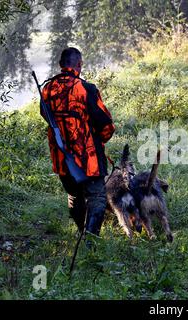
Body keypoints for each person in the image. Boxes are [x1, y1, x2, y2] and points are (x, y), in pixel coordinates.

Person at [41, 47, 115, 239]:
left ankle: (82, 232)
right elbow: (106, 124)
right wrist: (99, 143)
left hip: (61, 158)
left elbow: (46, 116)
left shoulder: (47, 89)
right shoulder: (86, 89)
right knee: (97, 197)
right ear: (80, 65)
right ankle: (90, 241)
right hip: (87, 158)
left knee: (74, 195)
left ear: (60, 65)